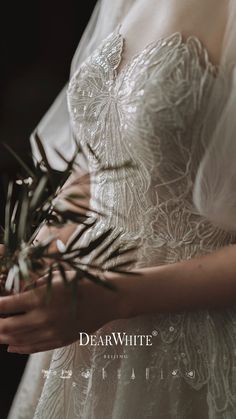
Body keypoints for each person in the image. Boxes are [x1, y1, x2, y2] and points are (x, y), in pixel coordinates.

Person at [2, 0, 236, 417]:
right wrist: (44, 250)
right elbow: (101, 162)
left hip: (188, 334)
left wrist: (113, 299)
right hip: (81, 325)